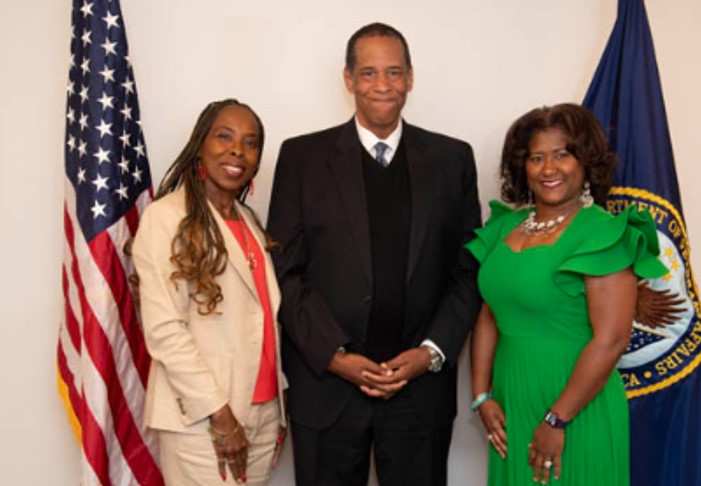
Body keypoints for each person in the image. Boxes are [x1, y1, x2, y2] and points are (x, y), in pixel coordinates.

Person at [267, 22, 481, 486]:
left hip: (419, 389)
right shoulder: (302, 158)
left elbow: (467, 273)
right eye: (368, 73)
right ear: (348, 79)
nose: (382, 85)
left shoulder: (452, 160)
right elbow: (285, 271)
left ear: (410, 77)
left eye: (393, 72)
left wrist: (430, 353)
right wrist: (335, 356)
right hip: (326, 388)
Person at [468, 103, 668, 486]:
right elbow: (489, 313)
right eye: (536, 157)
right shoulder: (504, 228)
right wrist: (481, 396)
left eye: (562, 154)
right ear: (522, 166)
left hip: (574, 408)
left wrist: (557, 418)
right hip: (513, 402)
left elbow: (612, 340)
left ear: (585, 161)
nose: (549, 169)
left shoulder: (603, 233)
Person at [132, 99, 287, 486]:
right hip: (204, 420)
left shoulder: (250, 222)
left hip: (262, 413)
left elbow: (262, 323)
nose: (238, 150)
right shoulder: (166, 218)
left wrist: (273, 412)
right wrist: (222, 417)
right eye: (224, 137)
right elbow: (165, 331)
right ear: (200, 145)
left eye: (250, 143)